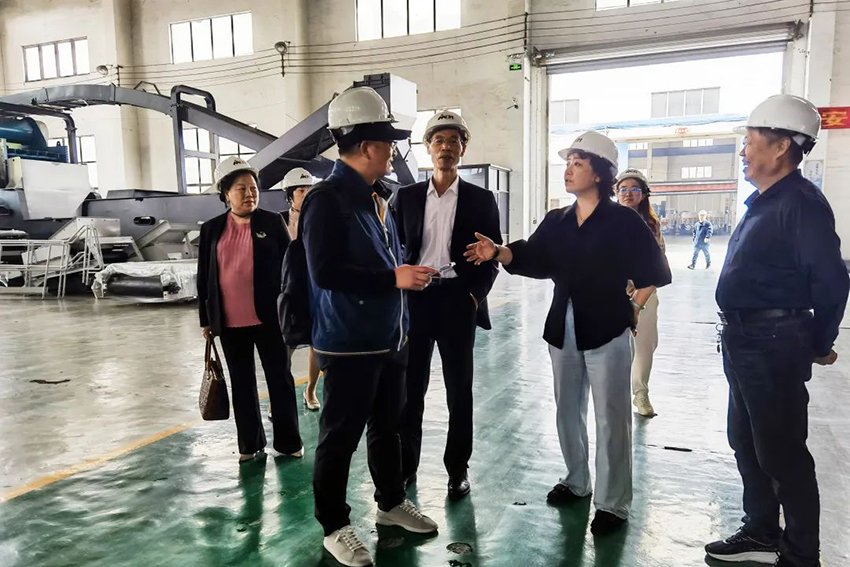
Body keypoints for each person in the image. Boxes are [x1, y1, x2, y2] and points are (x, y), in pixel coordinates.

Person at [465, 131, 671, 535]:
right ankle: (577, 480)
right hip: (564, 326)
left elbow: (655, 272)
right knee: (567, 410)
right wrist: (498, 251)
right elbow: (535, 257)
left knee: (611, 417)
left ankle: (613, 503)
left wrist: (633, 307)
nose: (569, 169)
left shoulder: (624, 221)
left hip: (608, 327)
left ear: (600, 173)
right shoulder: (557, 220)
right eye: (568, 163)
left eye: (578, 162)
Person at [706, 95, 849, 567]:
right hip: (745, 340)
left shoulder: (800, 203)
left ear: (782, 146)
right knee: (746, 442)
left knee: (782, 452)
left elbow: (831, 279)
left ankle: (802, 555)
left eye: (749, 142)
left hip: (772, 342)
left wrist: (820, 342)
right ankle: (762, 532)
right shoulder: (767, 201)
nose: (743, 151)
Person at [301, 86, 439, 567]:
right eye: (388, 143)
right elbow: (325, 272)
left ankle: (389, 503)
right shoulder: (327, 199)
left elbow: (384, 262)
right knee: (340, 438)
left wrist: (403, 277)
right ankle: (334, 526)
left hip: (389, 338)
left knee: (387, 428)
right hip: (350, 343)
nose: (393, 151)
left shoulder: (378, 198)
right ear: (365, 147)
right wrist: (392, 279)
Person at [393, 110, 502, 499]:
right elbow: (392, 250)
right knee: (410, 390)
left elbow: (493, 255)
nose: (446, 147)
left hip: (458, 300)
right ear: (427, 148)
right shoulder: (405, 197)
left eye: (453, 141)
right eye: (438, 140)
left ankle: (458, 469)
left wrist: (474, 296)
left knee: (460, 390)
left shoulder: (481, 199)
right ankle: (406, 467)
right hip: (416, 302)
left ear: (463, 149)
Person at [197, 156, 303, 463]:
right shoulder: (212, 229)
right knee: (241, 383)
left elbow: (291, 269)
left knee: (280, 380)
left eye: (253, 188)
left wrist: (293, 309)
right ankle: (249, 444)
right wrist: (206, 319)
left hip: (270, 319)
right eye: (241, 188)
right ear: (226, 193)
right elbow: (204, 277)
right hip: (230, 321)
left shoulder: (272, 222)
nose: (249, 194)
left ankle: (288, 443)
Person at [616, 168, 667, 417]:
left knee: (644, 345)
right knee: (612, 348)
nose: (628, 194)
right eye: (622, 189)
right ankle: (614, 395)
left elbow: (659, 263)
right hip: (612, 293)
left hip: (645, 293)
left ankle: (640, 393)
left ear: (643, 194)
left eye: (634, 189)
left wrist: (640, 288)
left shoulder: (652, 225)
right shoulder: (606, 222)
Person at [281, 167, 321, 411]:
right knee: (286, 344)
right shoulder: (278, 221)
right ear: (289, 195)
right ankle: (281, 396)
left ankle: (310, 390)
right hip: (288, 291)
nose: (306, 194)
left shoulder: (321, 219)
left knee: (317, 343)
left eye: (309, 190)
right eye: (300, 190)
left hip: (315, 289)